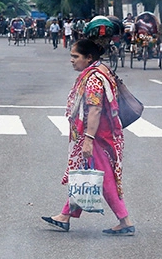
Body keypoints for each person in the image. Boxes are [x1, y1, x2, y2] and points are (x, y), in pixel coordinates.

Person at [41, 38, 134, 236]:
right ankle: (65, 215)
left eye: (76, 56)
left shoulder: (93, 78)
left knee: (103, 178)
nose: (72, 60)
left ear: (88, 57)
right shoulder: (102, 70)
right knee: (86, 174)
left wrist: (88, 139)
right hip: (103, 134)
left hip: (98, 136)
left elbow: (95, 109)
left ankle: (124, 220)